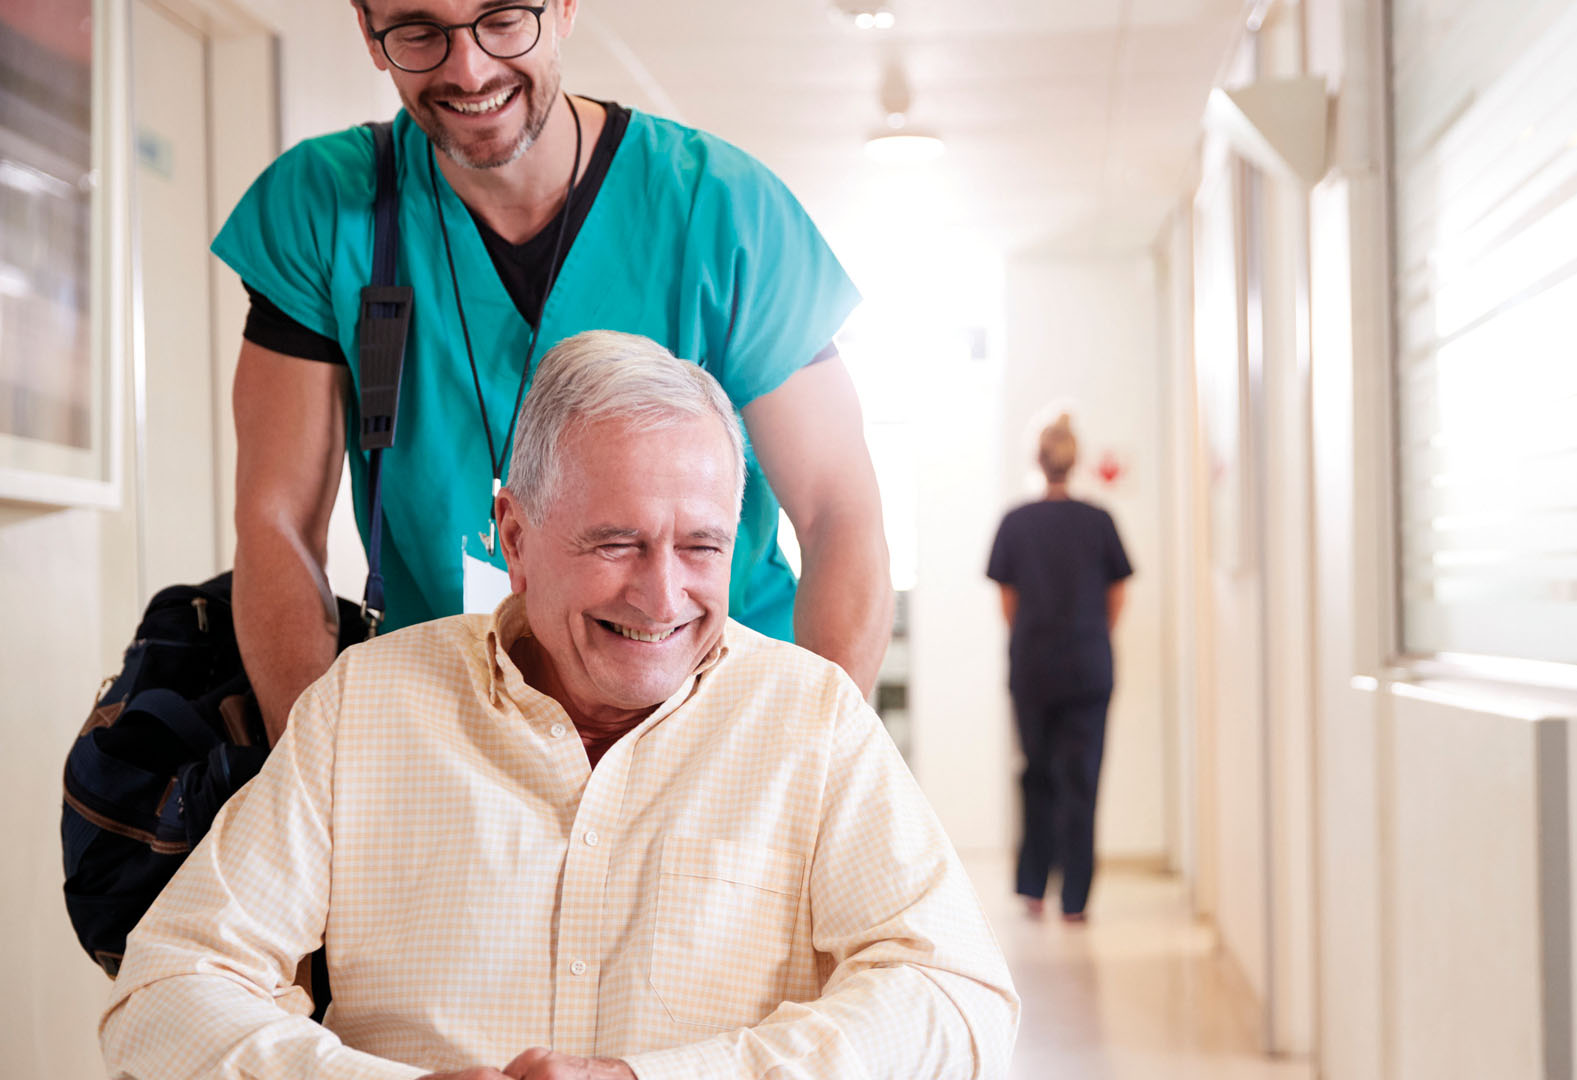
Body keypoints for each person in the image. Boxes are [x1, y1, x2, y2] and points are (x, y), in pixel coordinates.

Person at [101, 331, 1018, 1080]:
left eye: (701, 547)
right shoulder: (369, 706)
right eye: (617, 543)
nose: (663, 598)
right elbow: (166, 988)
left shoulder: (808, 719)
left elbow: (956, 996)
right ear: (515, 537)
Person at [223, 0, 891, 744]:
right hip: (453, 726)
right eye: (418, 32)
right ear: (368, 31)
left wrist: (822, 770)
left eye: (503, 18)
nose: (468, 70)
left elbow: (839, 513)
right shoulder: (324, 208)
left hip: (717, 721)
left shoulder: (721, 210)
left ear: (565, 6)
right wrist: (317, 772)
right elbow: (275, 522)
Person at [985, 415, 1132, 923]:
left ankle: (1032, 887)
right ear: (1075, 459)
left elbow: (1008, 602)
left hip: (1034, 667)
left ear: (1038, 460)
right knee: (1082, 780)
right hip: (1089, 667)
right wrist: (1092, 636)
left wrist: (1033, 638)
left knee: (1036, 774)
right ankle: (1076, 899)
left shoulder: (1016, 522)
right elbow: (1117, 595)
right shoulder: (1100, 522)